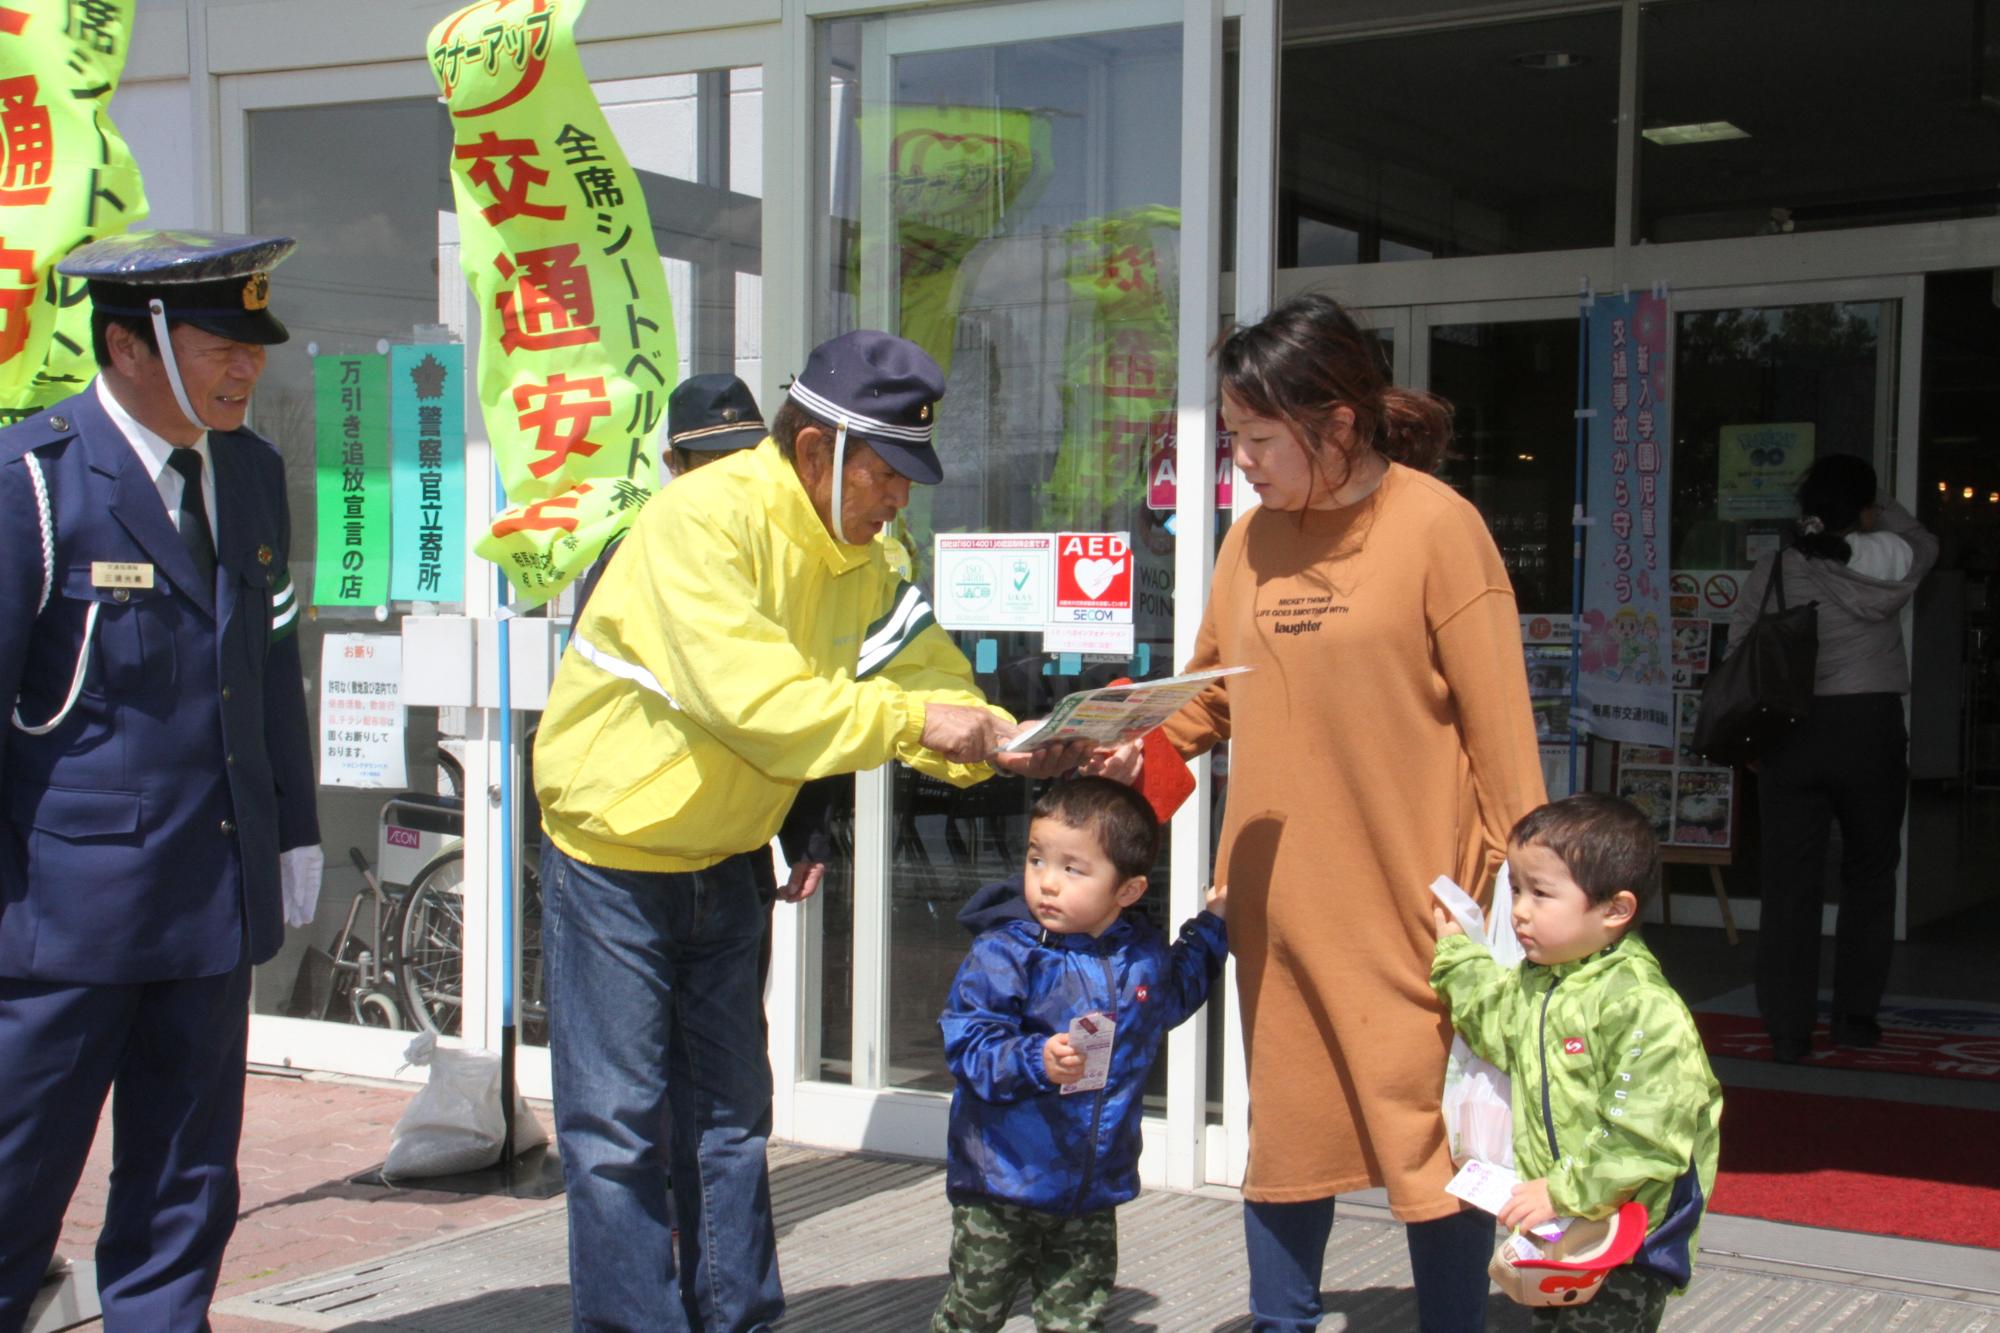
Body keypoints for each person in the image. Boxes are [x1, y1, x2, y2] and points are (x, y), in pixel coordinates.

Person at [532, 329, 1088, 1331]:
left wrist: (1007, 742)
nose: (898, 499)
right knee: (616, 1132)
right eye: (887, 473)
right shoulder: (699, 522)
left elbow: (922, 676)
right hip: (612, 858)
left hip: (725, 855)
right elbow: (764, 706)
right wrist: (924, 724)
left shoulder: (866, 550)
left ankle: (738, 1319)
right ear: (814, 453)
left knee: (730, 1122)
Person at [1094, 293, 1547, 1331]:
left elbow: (1500, 733)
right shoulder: (1250, 539)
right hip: (1280, 898)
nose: (1239, 461)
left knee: (1424, 1141)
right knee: (1287, 1138)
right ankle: (1279, 1320)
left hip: (1416, 901)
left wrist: (1519, 895)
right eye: (1233, 436)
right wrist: (1139, 746)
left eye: (1256, 438)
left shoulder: (1438, 526)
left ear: (1335, 425)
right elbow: (1212, 690)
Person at [0, 230, 322, 1330]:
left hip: (206, 910)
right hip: (60, 928)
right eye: (220, 345)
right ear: (130, 345)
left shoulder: (249, 473)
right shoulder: (34, 484)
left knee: (185, 1197)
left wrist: (292, 826)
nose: (248, 369)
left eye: (253, 348)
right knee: (15, 1190)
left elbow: (270, 658)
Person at [932, 778, 1227, 1333]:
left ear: (1128, 891)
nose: (1046, 882)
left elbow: (1178, 989)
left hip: (1091, 1188)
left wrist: (1215, 923)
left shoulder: (1139, 958)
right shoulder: (1007, 952)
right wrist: (1033, 1057)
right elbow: (969, 1042)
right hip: (1004, 1182)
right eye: (1037, 858)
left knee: (1078, 1315)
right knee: (974, 1312)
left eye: (1072, 869)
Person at [1431, 794, 1723, 1332]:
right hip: (1561, 1222)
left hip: (1627, 1238)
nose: (1519, 909)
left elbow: (1646, 1135)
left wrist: (1561, 1191)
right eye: (1515, 889)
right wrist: (1456, 957)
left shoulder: (1640, 1006)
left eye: (1540, 894)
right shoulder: (1541, 979)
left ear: (1615, 910)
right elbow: (1496, 1023)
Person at [1734, 454, 1937, 1063]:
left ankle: (1789, 1030)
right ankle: (1855, 1018)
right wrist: (1879, 505)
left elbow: (1744, 638)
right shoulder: (1895, 561)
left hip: (1792, 729)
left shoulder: (1777, 566)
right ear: (1868, 512)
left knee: (1788, 881)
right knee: (1870, 874)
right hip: (1870, 726)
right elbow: (1924, 539)